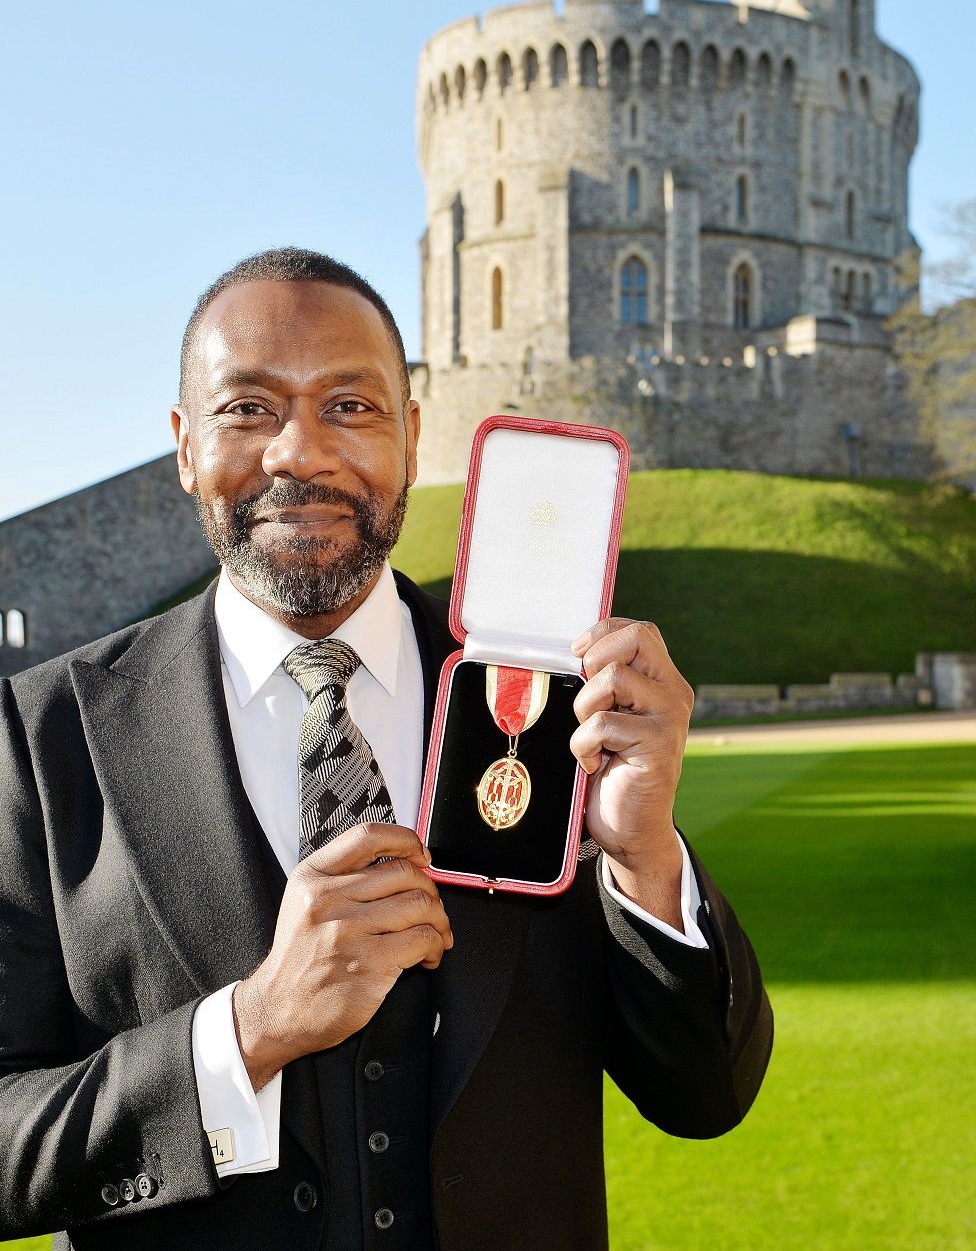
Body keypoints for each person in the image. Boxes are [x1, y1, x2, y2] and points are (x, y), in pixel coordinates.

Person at [0, 248, 773, 1251]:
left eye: (351, 407)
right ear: (185, 446)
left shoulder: (550, 702)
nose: (299, 451)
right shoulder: (39, 735)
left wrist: (644, 855)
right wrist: (248, 1032)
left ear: (414, 435)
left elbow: (705, 1091)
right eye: (248, 409)